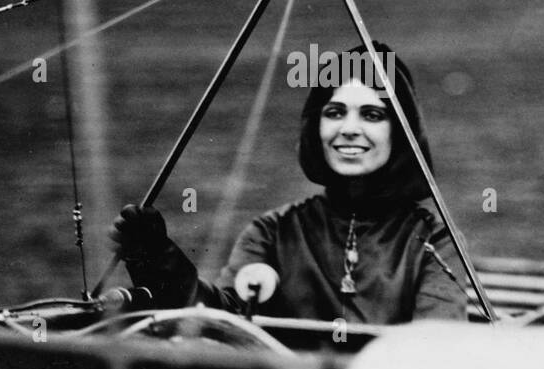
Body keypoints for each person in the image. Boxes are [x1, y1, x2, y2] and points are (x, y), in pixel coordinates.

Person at [109, 43, 468, 323]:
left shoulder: (434, 240)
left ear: (402, 134)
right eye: (335, 112)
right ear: (316, 126)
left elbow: (436, 343)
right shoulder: (273, 232)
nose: (349, 129)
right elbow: (218, 318)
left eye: (372, 115)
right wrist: (157, 258)